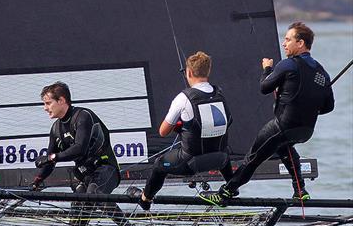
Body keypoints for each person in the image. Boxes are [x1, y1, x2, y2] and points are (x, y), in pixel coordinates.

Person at [201, 22, 334, 206]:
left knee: (253, 158)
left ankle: (226, 192)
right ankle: (300, 190)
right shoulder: (322, 72)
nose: (284, 43)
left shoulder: (288, 65)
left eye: (288, 39)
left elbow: (264, 87)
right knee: (284, 148)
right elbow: (328, 107)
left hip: (283, 125)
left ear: (301, 43)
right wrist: (308, 104)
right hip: (305, 131)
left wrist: (267, 69)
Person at [32, 81, 138, 226]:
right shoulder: (55, 129)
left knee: (94, 193)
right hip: (86, 176)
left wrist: (52, 157)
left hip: (106, 169)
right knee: (79, 197)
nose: (45, 108)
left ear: (61, 100)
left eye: (48, 103)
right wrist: (37, 181)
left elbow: (79, 148)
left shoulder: (83, 116)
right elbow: (49, 163)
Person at [134, 51, 234, 210]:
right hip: (221, 160)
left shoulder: (183, 98)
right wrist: (185, 126)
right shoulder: (219, 93)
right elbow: (226, 122)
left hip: (191, 163)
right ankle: (232, 186)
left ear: (188, 72)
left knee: (159, 164)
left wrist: (180, 124)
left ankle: (145, 200)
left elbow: (163, 131)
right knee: (222, 147)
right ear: (208, 71)